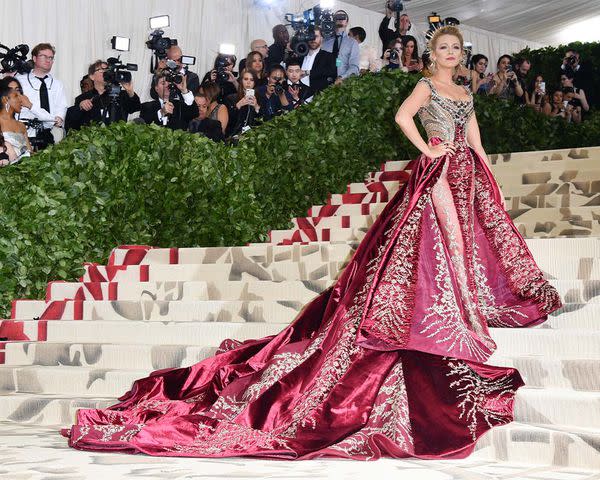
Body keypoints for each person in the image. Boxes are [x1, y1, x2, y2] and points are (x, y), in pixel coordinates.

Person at [63, 25, 562, 461]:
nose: (452, 53)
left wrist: (482, 159)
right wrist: (428, 149)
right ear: (434, 54)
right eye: (445, 48)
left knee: (473, 236)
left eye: (456, 47)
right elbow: (403, 119)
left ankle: (469, 299)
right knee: (448, 236)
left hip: (466, 172)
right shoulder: (425, 84)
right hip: (436, 170)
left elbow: (471, 127)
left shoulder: (464, 90)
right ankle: (457, 310)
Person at [15, 43, 68, 149]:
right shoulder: (20, 81)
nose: (48, 60)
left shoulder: (57, 84)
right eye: (44, 56)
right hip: (25, 134)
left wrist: (58, 118)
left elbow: (61, 109)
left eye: (51, 58)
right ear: (34, 58)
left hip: (51, 135)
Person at [69, 60, 141, 130]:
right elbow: (73, 121)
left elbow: (135, 108)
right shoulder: (82, 98)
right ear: (92, 76)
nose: (106, 72)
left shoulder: (121, 94)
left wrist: (130, 91)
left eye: (107, 70)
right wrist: (81, 106)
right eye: (102, 70)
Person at [322, 10, 360, 81]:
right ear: (333, 21)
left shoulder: (352, 43)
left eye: (343, 17)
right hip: (324, 82)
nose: (340, 19)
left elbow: (354, 67)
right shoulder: (324, 41)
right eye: (337, 17)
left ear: (347, 22)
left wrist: (342, 77)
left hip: (342, 84)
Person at [0, 77, 32, 163]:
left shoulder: (21, 125)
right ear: (5, 99)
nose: (21, 99)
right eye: (16, 96)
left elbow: (30, 154)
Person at [300, 27, 337, 95]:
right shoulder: (299, 56)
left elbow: (331, 71)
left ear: (321, 38)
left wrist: (308, 72)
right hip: (297, 95)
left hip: (317, 97)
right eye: (311, 36)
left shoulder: (328, 56)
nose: (313, 39)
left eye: (316, 36)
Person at [225, 69, 261, 136]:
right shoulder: (231, 98)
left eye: (251, 80)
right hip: (233, 135)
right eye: (246, 79)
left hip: (252, 136)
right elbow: (228, 121)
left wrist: (257, 108)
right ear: (241, 81)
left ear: (255, 82)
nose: (248, 82)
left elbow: (261, 122)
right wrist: (238, 106)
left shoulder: (258, 98)